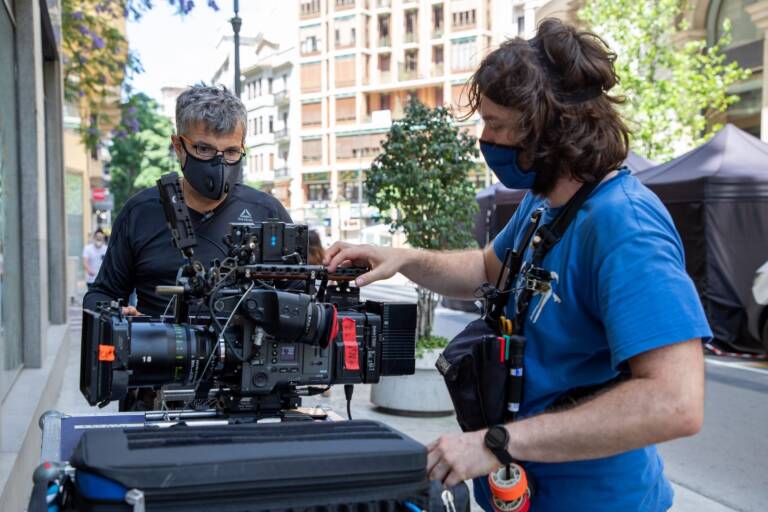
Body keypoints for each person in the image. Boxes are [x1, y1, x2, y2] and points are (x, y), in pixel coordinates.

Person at [324, 19, 710, 512]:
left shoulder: (624, 225)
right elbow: (486, 270)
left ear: (551, 128)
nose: (485, 139)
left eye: (497, 125)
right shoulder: (543, 203)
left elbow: (675, 402)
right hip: (523, 492)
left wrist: (496, 443)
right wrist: (404, 258)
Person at [84, 84, 292, 318]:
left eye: (231, 152)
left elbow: (302, 295)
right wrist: (118, 316)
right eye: (204, 149)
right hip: (158, 341)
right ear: (178, 147)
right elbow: (101, 294)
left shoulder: (267, 212)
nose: (220, 163)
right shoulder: (139, 213)